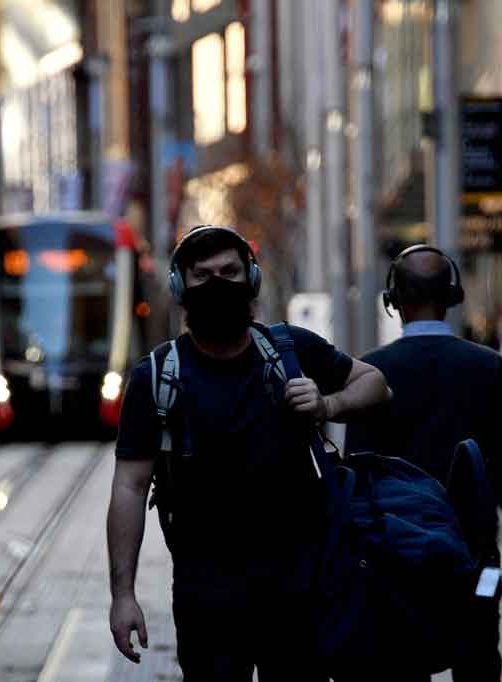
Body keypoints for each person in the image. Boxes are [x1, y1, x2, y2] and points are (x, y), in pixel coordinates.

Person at [106, 225, 391, 681]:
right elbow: (129, 485)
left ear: (251, 280)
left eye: (230, 272)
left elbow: (375, 384)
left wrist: (327, 404)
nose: (217, 284)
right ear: (180, 286)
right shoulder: (157, 375)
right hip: (207, 597)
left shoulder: (288, 349)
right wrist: (123, 595)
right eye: (202, 275)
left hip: (300, 590)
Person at [345, 245, 502, 682]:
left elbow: (358, 476)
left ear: (392, 299)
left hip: (396, 558)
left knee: (401, 660)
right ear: (454, 296)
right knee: (479, 656)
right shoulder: (488, 367)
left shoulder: (371, 372)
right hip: (477, 558)